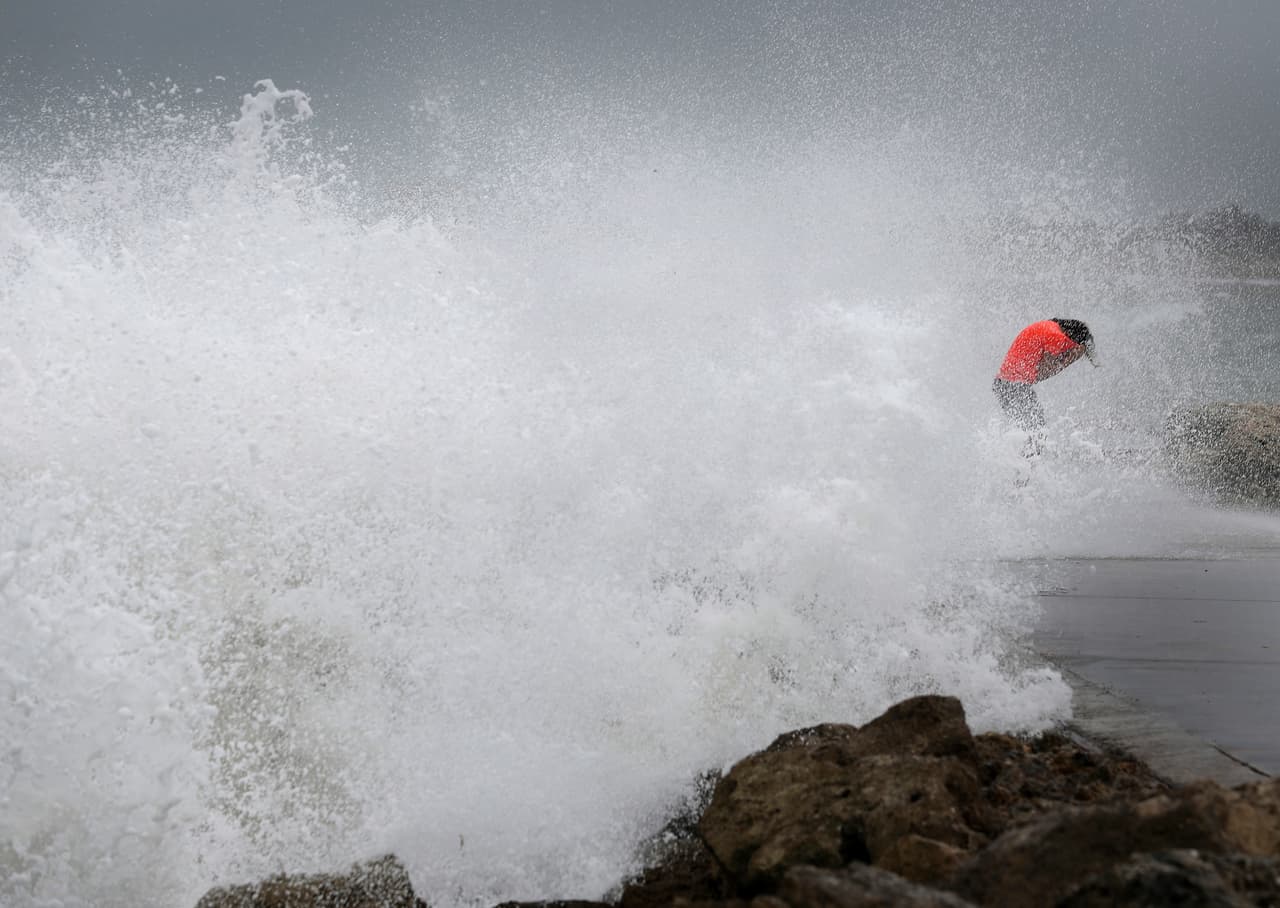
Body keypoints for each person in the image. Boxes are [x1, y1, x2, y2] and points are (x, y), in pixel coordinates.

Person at [993, 318, 1097, 435]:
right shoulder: (1057, 337)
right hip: (1015, 387)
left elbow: (1036, 369)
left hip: (1004, 385)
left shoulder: (1047, 326)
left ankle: (1008, 452)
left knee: (1024, 432)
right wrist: (1069, 359)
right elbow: (1044, 371)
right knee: (1038, 433)